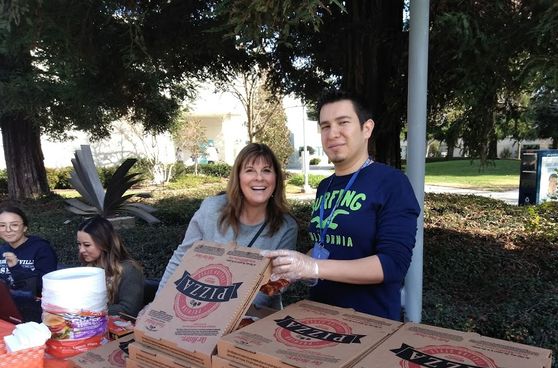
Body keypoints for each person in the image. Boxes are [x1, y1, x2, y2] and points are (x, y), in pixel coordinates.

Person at [264, 90, 420, 321]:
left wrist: (313, 267)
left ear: (367, 128)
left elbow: (393, 264)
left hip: (370, 324)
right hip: (320, 317)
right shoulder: (325, 186)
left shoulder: (392, 183)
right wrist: (292, 268)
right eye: (325, 126)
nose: (332, 133)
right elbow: (325, 245)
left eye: (343, 123)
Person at [159, 142, 298, 310]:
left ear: (276, 178)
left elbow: (274, 287)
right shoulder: (211, 209)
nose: (259, 177)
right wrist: (157, 306)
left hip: (255, 316)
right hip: (199, 309)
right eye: (250, 170)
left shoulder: (286, 226)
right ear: (238, 177)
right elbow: (181, 259)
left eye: (266, 170)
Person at [77, 216, 145, 318]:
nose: (81, 250)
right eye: (79, 244)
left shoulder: (129, 270)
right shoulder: (89, 267)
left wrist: (88, 311)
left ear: (103, 243)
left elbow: (129, 310)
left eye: (86, 245)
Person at [0, 204, 58, 322]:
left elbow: (45, 286)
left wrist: (16, 267)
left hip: (37, 313)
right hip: (8, 311)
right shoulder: (2, 250)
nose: (8, 230)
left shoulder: (41, 249)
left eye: (14, 225)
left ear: (25, 227)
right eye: (2, 225)